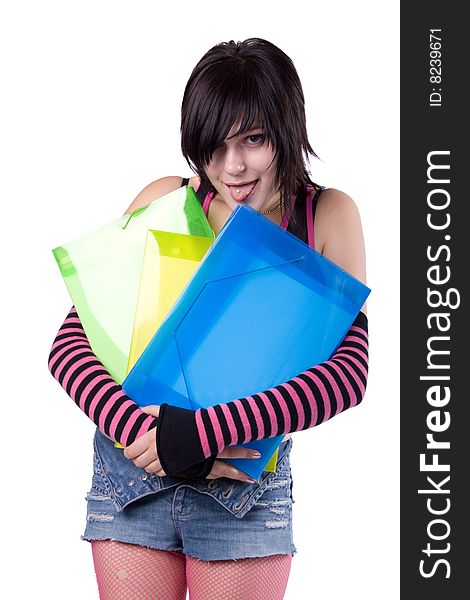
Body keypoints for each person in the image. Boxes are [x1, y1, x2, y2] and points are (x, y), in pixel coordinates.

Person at [48, 38, 368, 600]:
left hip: (242, 497)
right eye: (214, 147)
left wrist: (199, 434)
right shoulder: (170, 201)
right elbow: (72, 345)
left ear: (287, 130)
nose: (232, 167)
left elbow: (345, 377)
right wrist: (148, 434)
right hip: (133, 483)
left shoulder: (325, 217)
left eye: (254, 140)